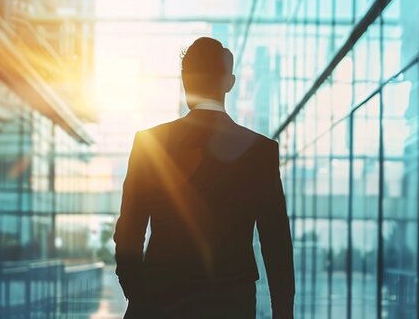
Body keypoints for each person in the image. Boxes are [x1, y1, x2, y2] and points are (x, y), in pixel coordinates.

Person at [113, 37, 295, 318]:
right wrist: (283, 313)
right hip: (231, 305)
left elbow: (129, 233)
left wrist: (139, 296)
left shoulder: (150, 143)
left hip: (160, 300)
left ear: (185, 80)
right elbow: (277, 244)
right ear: (229, 83)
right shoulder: (260, 151)